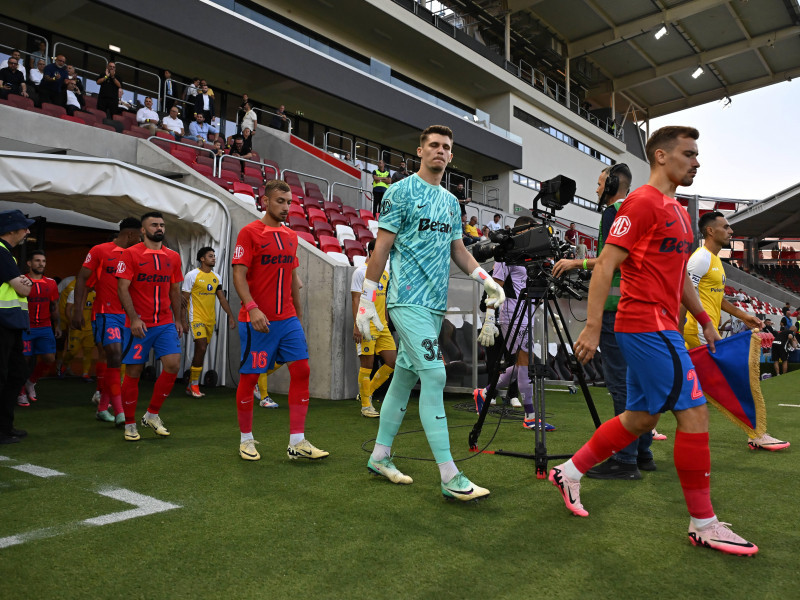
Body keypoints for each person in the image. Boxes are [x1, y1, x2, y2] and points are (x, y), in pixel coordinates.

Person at [549, 126, 758, 556]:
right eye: (689, 153)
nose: (696, 161)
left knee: (642, 419)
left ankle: (569, 471)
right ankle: (704, 523)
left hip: (662, 325)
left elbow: (679, 275)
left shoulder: (680, 212)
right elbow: (606, 264)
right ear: (661, 156)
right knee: (694, 413)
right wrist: (590, 325)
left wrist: (704, 318)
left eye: (697, 154)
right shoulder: (640, 202)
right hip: (646, 325)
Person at [355, 124, 504, 500]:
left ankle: (380, 456)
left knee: (404, 379)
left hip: (435, 305)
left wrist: (486, 279)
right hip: (406, 301)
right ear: (420, 151)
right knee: (435, 376)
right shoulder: (399, 192)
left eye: (446, 147)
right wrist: (366, 301)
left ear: (451, 156)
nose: (440, 151)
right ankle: (450, 476)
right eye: (433, 145)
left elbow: (459, 251)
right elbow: (381, 249)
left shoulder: (452, 203)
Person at [552, 164, 658, 478]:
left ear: (612, 183)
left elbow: (610, 260)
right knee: (636, 383)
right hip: (639, 308)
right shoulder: (638, 210)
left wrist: (575, 262)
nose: (597, 190)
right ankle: (642, 454)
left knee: (621, 385)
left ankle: (624, 460)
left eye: (600, 183)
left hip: (618, 310)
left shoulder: (615, 212)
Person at [232, 180, 328, 462]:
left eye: (289, 202)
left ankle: (297, 442)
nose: (286, 207)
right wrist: (252, 308)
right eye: (280, 202)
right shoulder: (249, 233)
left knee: (302, 371)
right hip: (257, 320)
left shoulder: (291, 237)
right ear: (265, 201)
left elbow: (292, 280)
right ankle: (246, 440)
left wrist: (298, 318)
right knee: (249, 378)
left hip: (287, 320)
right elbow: (238, 275)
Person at [681, 211, 790, 452]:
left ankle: (641, 426)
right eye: (726, 227)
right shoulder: (699, 259)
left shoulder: (716, 261)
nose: (731, 231)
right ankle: (757, 434)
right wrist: (676, 330)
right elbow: (682, 292)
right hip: (697, 330)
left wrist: (744, 316)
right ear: (710, 231)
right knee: (735, 378)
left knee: (680, 381)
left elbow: (717, 299)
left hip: (704, 329)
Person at [475, 214, 556, 431]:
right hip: (511, 312)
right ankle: (530, 416)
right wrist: (489, 318)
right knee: (525, 361)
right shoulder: (506, 255)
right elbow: (495, 286)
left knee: (521, 363)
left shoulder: (532, 255)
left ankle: (484, 392)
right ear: (521, 232)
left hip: (527, 312)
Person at [116, 212, 184, 442]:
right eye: (154, 225)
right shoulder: (130, 254)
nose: (160, 228)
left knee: (173, 364)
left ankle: (152, 414)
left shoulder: (173, 257)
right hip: (139, 324)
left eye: (162, 225)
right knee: (133, 372)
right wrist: (134, 318)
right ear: (143, 231)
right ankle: (129, 423)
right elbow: (123, 288)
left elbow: (175, 290)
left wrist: (178, 319)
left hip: (164, 322)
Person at [72, 217, 142, 426]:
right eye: (139, 236)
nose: (141, 240)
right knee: (114, 353)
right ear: (130, 234)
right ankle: (120, 412)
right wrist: (77, 310)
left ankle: (103, 408)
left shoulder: (137, 255)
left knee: (116, 359)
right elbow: (83, 279)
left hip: (128, 316)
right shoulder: (100, 251)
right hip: (105, 313)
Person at [350, 239, 396, 418]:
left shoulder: (384, 274)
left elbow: (382, 299)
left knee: (391, 361)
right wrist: (357, 325)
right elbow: (355, 300)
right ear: (370, 252)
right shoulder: (360, 272)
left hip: (381, 325)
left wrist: (386, 321)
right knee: (367, 365)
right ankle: (366, 406)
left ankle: (366, 392)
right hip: (365, 324)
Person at [182, 246, 236, 398]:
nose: (214, 258)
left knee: (202, 350)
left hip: (210, 319)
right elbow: (184, 299)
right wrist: (183, 320)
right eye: (210, 256)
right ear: (202, 259)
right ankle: (194, 385)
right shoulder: (192, 275)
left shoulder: (216, 277)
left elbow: (221, 298)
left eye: (214, 256)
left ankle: (190, 384)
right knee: (202, 346)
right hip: (196, 318)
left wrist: (230, 315)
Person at [0, 210, 35, 444]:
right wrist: (26, 283)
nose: (28, 231)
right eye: (24, 227)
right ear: (12, 230)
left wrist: (25, 283)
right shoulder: (2, 253)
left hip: (9, 325)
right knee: (7, 375)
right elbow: (24, 289)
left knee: (16, 374)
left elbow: (23, 286)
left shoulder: (6, 255)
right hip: (3, 324)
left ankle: (5, 427)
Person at [18, 251, 60, 406]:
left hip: (45, 327)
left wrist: (58, 325)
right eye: (37, 261)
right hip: (26, 327)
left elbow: (54, 306)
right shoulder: (21, 281)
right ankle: (21, 391)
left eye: (43, 261)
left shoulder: (51, 283)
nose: (41, 264)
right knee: (24, 360)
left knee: (49, 358)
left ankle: (31, 382)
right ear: (29, 263)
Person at [64, 286, 97, 388]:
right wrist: (71, 322)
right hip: (77, 327)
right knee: (73, 351)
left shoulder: (96, 294)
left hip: (90, 328)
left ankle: (85, 373)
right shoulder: (75, 292)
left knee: (88, 351)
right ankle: (64, 365)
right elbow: (68, 309)